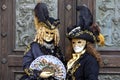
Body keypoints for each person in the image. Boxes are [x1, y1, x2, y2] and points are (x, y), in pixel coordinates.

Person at [20, 2, 65, 80]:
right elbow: (26, 65)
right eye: (47, 33)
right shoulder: (33, 47)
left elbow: (61, 66)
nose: (49, 36)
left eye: (51, 34)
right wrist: (39, 74)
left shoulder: (56, 49)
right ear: (41, 32)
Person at [66, 5, 105, 80]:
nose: (76, 45)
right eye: (73, 43)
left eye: (79, 42)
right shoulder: (72, 59)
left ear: (86, 43)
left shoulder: (90, 60)